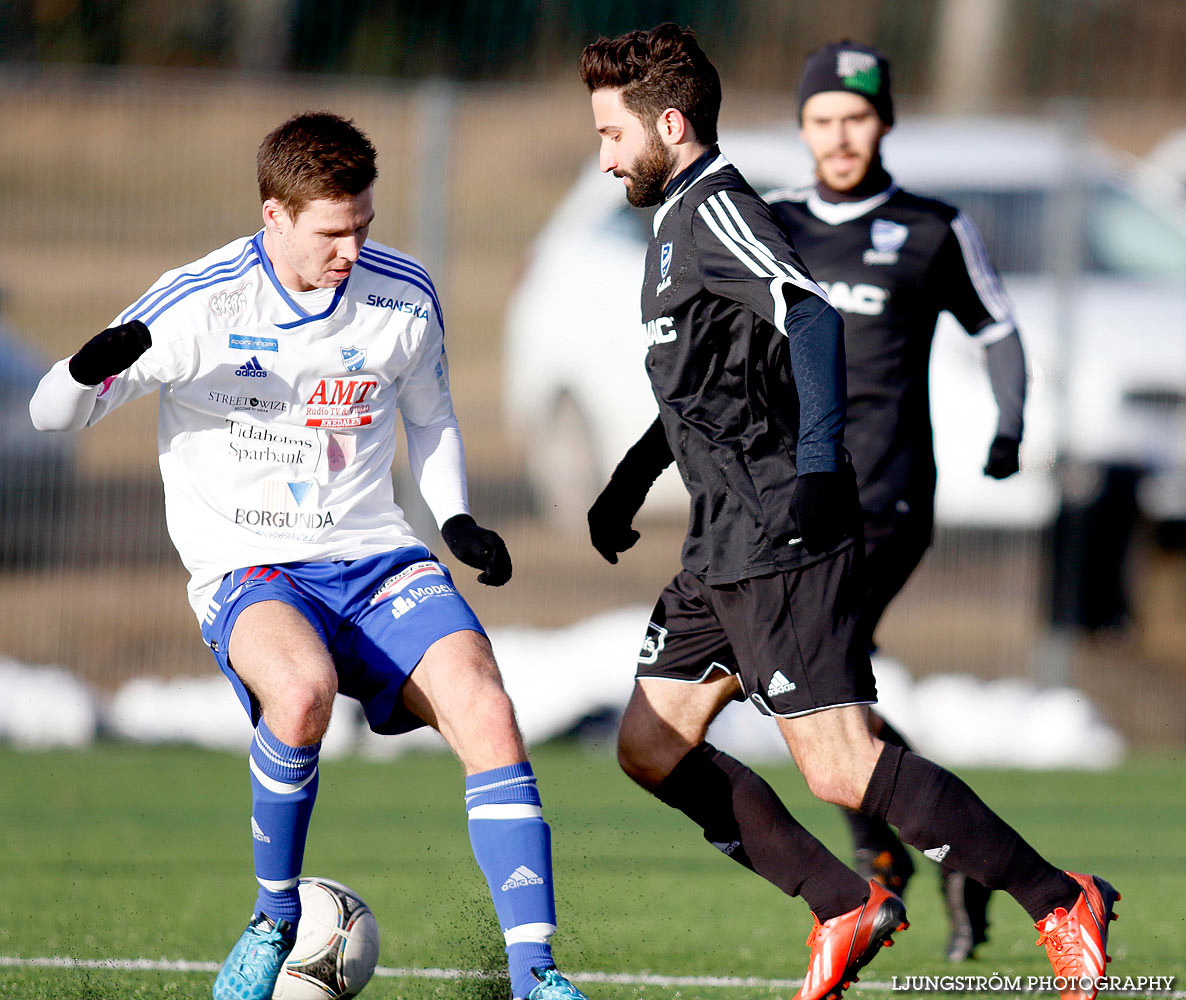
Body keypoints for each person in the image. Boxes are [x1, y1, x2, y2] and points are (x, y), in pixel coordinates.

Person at [579, 24, 1118, 1000]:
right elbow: (709, 387)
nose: (605, 154)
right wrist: (628, 479)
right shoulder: (676, 225)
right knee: (650, 746)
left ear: (668, 122)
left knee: (840, 765)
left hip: (782, 532)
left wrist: (821, 465)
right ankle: (842, 903)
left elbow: (810, 312)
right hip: (721, 541)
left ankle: (1058, 897)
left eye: (612, 134)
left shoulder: (720, 207)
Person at [29, 112, 588, 1000]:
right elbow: (49, 416)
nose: (351, 250)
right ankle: (272, 919)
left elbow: (432, 416)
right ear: (274, 217)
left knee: (486, 707)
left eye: (364, 225)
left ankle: (538, 976)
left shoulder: (403, 295)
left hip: (376, 560)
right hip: (250, 566)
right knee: (299, 694)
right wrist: (85, 366)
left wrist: (456, 519)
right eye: (332, 232)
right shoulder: (197, 304)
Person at [758, 40, 1029, 962]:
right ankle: (943, 848)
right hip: (797, 500)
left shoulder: (929, 226)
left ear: (884, 124)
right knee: (806, 686)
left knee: (811, 679)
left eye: (857, 118)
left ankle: (897, 855)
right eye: (823, 119)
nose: (840, 136)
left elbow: (996, 326)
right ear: (803, 129)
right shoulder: (774, 224)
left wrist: (1010, 427)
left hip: (888, 499)